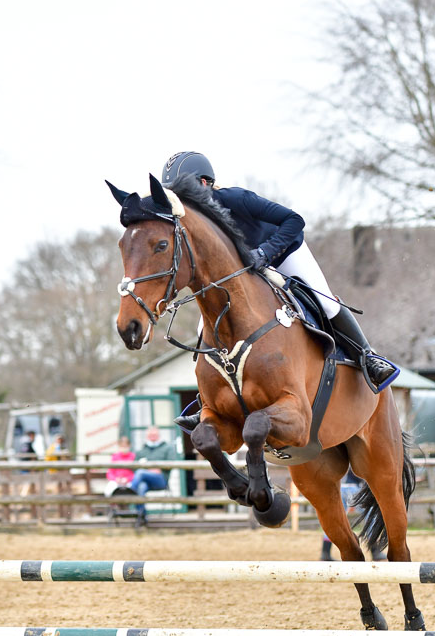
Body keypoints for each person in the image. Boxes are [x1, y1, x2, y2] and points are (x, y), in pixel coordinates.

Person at [161, 152, 399, 432]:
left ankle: (368, 358)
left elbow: (294, 221)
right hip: (246, 271)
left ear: (204, 183)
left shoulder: (237, 199)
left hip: (284, 252)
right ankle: (207, 400)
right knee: (207, 323)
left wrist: (266, 252)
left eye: (185, 193)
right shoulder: (196, 224)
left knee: (326, 302)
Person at [320, 469, 386, 561]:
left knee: (334, 520)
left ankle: (325, 552)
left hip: (338, 487)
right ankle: (375, 551)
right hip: (353, 487)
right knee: (370, 514)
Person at [129, 426, 174, 528]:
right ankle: (142, 518)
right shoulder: (141, 451)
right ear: (147, 436)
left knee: (140, 473)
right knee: (141, 487)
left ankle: (130, 494)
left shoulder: (167, 448)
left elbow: (171, 464)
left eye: (154, 435)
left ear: (158, 436)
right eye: (150, 435)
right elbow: (133, 468)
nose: (152, 437)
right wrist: (149, 470)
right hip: (146, 481)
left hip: (161, 480)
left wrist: (159, 468)